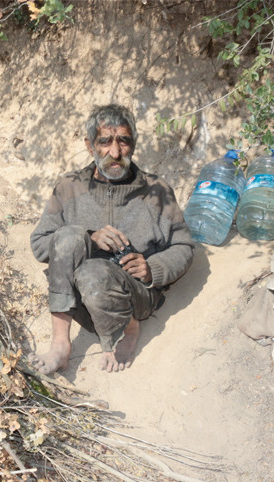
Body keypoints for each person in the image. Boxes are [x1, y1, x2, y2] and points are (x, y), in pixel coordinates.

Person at [29, 104, 194, 374]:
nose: (115, 153)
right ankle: (60, 345)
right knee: (69, 236)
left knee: (95, 271)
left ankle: (128, 328)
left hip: (133, 295)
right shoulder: (69, 187)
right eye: (105, 142)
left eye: (123, 141)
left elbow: (183, 246)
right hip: (80, 294)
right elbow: (39, 243)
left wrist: (153, 268)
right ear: (89, 145)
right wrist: (88, 237)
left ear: (134, 143)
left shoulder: (157, 191)